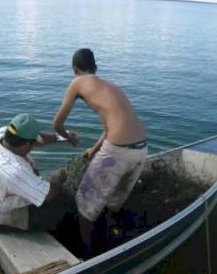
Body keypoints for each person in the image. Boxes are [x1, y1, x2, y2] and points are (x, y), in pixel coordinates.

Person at [53, 48, 147, 256]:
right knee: (113, 201)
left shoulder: (77, 82)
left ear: (75, 69)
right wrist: (93, 149)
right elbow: (108, 128)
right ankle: (113, 234)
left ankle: (86, 254)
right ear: (95, 68)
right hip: (141, 150)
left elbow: (57, 123)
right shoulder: (112, 87)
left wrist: (68, 137)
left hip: (118, 152)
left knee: (84, 203)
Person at [0, 113, 78, 231]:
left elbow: (39, 138)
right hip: (1, 218)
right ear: (25, 144)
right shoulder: (12, 170)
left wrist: (63, 137)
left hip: (0, 200)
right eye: (33, 144)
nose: (34, 146)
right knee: (67, 208)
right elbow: (48, 194)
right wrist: (60, 175)